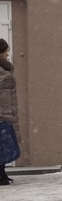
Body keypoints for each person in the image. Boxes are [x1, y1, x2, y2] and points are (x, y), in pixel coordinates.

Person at [0, 38, 18, 185]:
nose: (8, 54)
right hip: (1, 113)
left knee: (4, 144)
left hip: (7, 111)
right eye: (6, 51)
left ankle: (2, 173)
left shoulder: (5, 68)